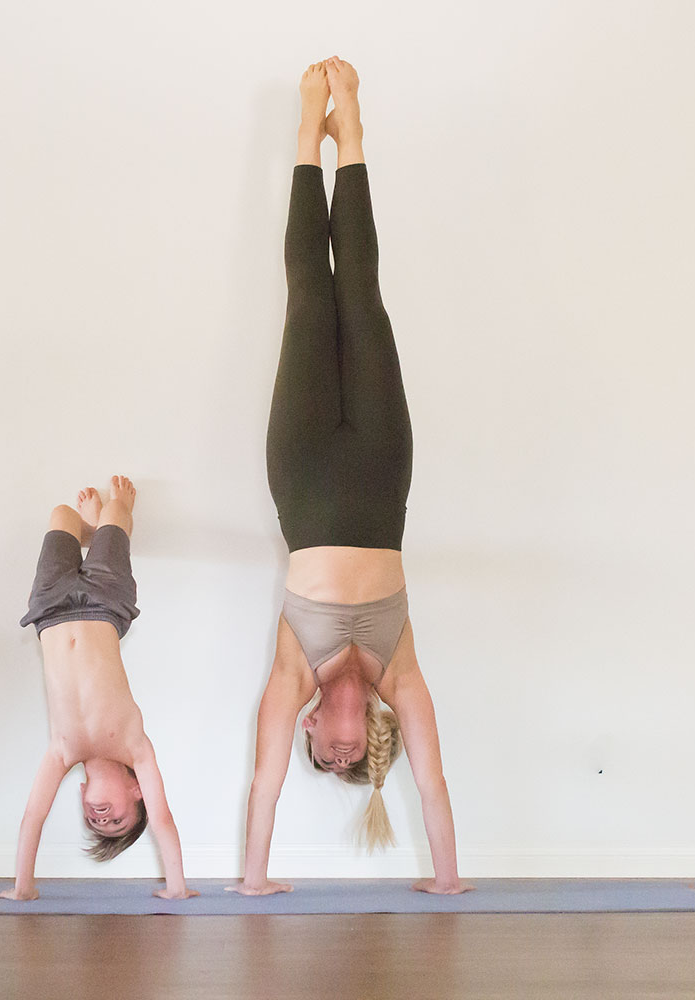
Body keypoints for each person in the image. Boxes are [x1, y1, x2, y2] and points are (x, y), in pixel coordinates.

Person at [229, 58, 473, 897]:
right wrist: (447, 882)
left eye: (317, 757)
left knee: (308, 293)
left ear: (304, 728)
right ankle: (354, 134)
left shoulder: (293, 672)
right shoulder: (396, 672)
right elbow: (433, 785)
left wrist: (252, 880)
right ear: (369, 736)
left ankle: (308, 134)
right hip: (379, 470)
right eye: (347, 759)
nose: (333, 755)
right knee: (360, 294)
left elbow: (262, 786)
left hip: (299, 473)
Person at [0, 476, 197, 902]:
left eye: (96, 824)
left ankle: (89, 528)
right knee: (117, 511)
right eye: (118, 822)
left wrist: (23, 888)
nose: (102, 819)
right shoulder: (135, 748)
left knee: (60, 515)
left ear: (82, 795)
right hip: (106, 598)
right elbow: (163, 819)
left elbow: (34, 814)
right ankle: (111, 522)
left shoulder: (63, 751)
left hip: (49, 606)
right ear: (137, 790)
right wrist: (176, 888)